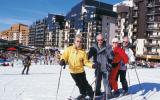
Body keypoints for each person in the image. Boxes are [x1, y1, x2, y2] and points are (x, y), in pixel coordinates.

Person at [59, 34, 97, 100]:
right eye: (77, 41)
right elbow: (64, 56)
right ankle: (83, 93)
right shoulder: (69, 49)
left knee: (85, 83)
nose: (78, 43)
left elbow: (86, 62)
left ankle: (91, 95)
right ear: (74, 41)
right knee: (78, 84)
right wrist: (62, 60)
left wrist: (92, 65)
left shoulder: (83, 52)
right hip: (72, 71)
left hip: (80, 71)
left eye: (80, 41)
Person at [88, 34, 114, 99]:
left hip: (106, 67)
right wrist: (85, 58)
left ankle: (108, 94)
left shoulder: (108, 46)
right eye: (98, 40)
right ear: (96, 40)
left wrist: (109, 53)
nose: (100, 41)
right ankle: (97, 92)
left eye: (101, 39)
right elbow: (88, 55)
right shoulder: (94, 47)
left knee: (106, 81)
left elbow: (111, 57)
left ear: (103, 39)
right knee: (97, 81)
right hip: (98, 67)